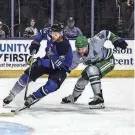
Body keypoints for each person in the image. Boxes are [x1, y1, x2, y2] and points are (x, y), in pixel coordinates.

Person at [3, 23, 73, 107]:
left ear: (61, 34)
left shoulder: (64, 46)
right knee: (28, 73)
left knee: (52, 85)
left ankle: (33, 97)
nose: (53, 35)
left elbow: (54, 64)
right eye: (52, 33)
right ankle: (12, 94)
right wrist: (35, 45)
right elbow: (40, 34)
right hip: (48, 60)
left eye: (56, 34)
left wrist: (37, 61)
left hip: (61, 68)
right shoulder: (49, 32)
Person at [62, 30, 128, 109]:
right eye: (78, 49)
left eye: (83, 48)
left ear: (87, 45)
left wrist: (115, 39)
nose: (81, 51)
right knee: (82, 80)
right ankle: (73, 97)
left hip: (108, 60)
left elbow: (105, 33)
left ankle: (99, 99)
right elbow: (68, 67)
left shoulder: (95, 42)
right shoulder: (76, 55)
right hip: (94, 65)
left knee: (91, 70)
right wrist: (60, 73)